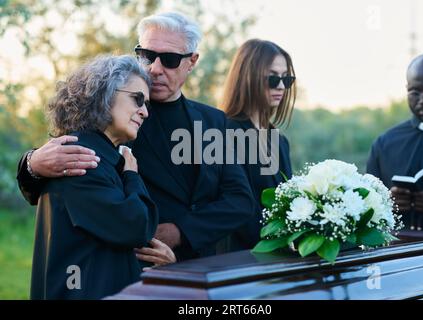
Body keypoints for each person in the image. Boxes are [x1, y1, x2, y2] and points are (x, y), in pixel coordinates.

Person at [17, 12, 254, 261]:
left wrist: (180, 232)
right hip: (130, 265)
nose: (155, 68)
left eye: (170, 59)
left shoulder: (213, 121)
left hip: (198, 263)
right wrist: (32, 164)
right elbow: (69, 171)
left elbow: (239, 200)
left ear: (192, 61)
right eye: (147, 56)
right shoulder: (112, 114)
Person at [30, 55, 176, 300]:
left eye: (147, 104)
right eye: (137, 99)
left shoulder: (100, 154)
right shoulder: (82, 157)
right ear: (103, 95)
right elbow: (135, 227)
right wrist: (132, 175)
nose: (145, 112)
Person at [220, 39, 296, 250]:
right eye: (272, 78)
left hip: (277, 259)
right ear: (248, 78)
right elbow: (232, 208)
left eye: (286, 79)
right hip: (237, 260)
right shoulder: (224, 133)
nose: (281, 86)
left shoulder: (280, 141)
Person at [367, 53, 423, 231]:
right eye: (414, 92)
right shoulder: (385, 143)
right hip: (396, 252)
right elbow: (366, 208)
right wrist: (387, 202)